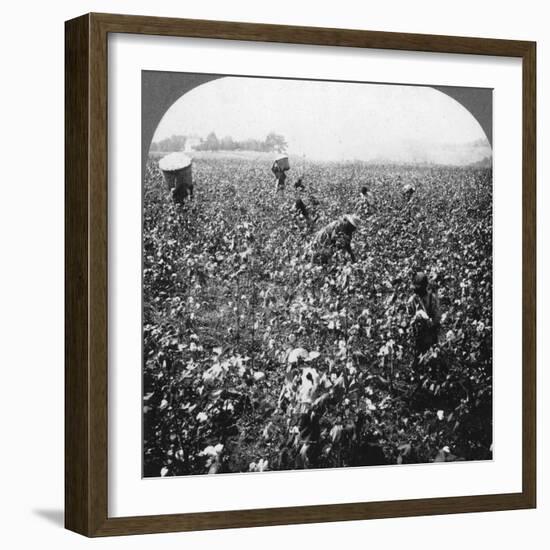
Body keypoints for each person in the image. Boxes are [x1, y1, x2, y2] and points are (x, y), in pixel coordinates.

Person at [407, 272, 441, 354]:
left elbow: (437, 317)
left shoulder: (431, 299)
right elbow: (409, 317)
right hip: (417, 337)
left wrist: (429, 322)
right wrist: (415, 319)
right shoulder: (412, 300)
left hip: (430, 336)